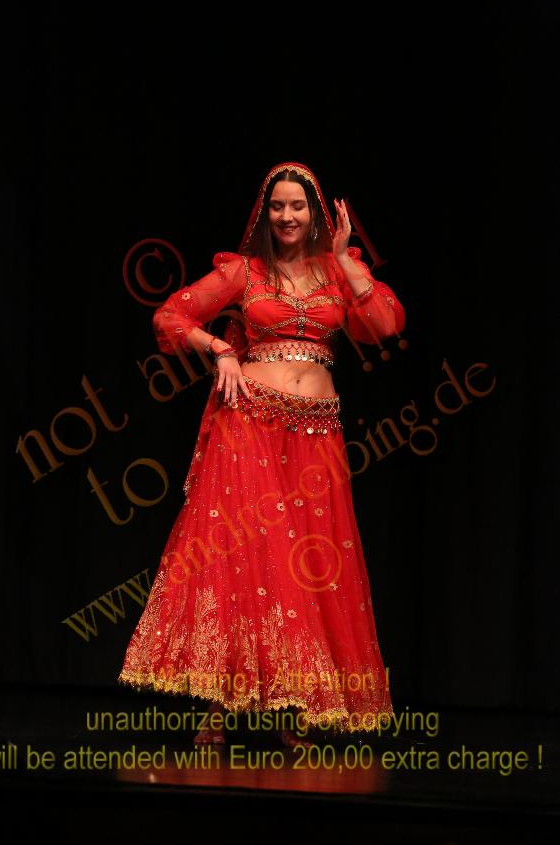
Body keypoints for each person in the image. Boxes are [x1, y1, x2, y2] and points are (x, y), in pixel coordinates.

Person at [117, 161, 406, 749]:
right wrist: (219, 348)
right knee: (245, 559)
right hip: (248, 423)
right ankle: (218, 706)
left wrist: (348, 260)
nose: (287, 216)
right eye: (278, 206)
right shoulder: (243, 272)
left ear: (316, 215)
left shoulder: (337, 270)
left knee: (307, 565)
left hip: (316, 433)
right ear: (264, 213)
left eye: (297, 206)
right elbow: (170, 315)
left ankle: (291, 705)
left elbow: (383, 326)